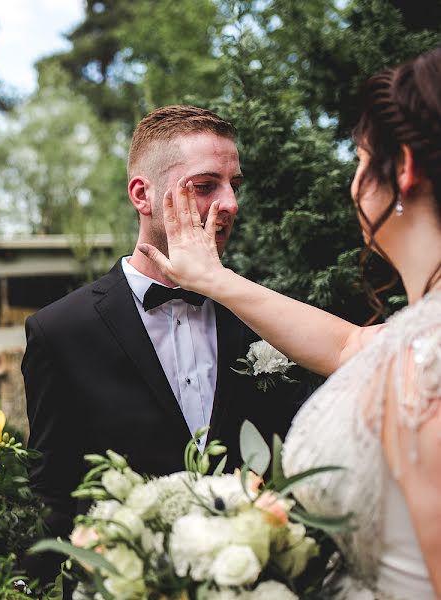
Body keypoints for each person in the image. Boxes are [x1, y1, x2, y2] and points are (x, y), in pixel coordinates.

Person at [138, 49, 441, 598]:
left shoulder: (430, 363)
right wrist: (215, 279)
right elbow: (351, 344)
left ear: (403, 170)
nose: (354, 185)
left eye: (360, 160)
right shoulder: (418, 336)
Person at [21, 105, 310, 587]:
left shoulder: (263, 316)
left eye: (234, 185)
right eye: (205, 185)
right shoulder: (60, 332)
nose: (230, 203)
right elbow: (51, 497)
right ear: (143, 195)